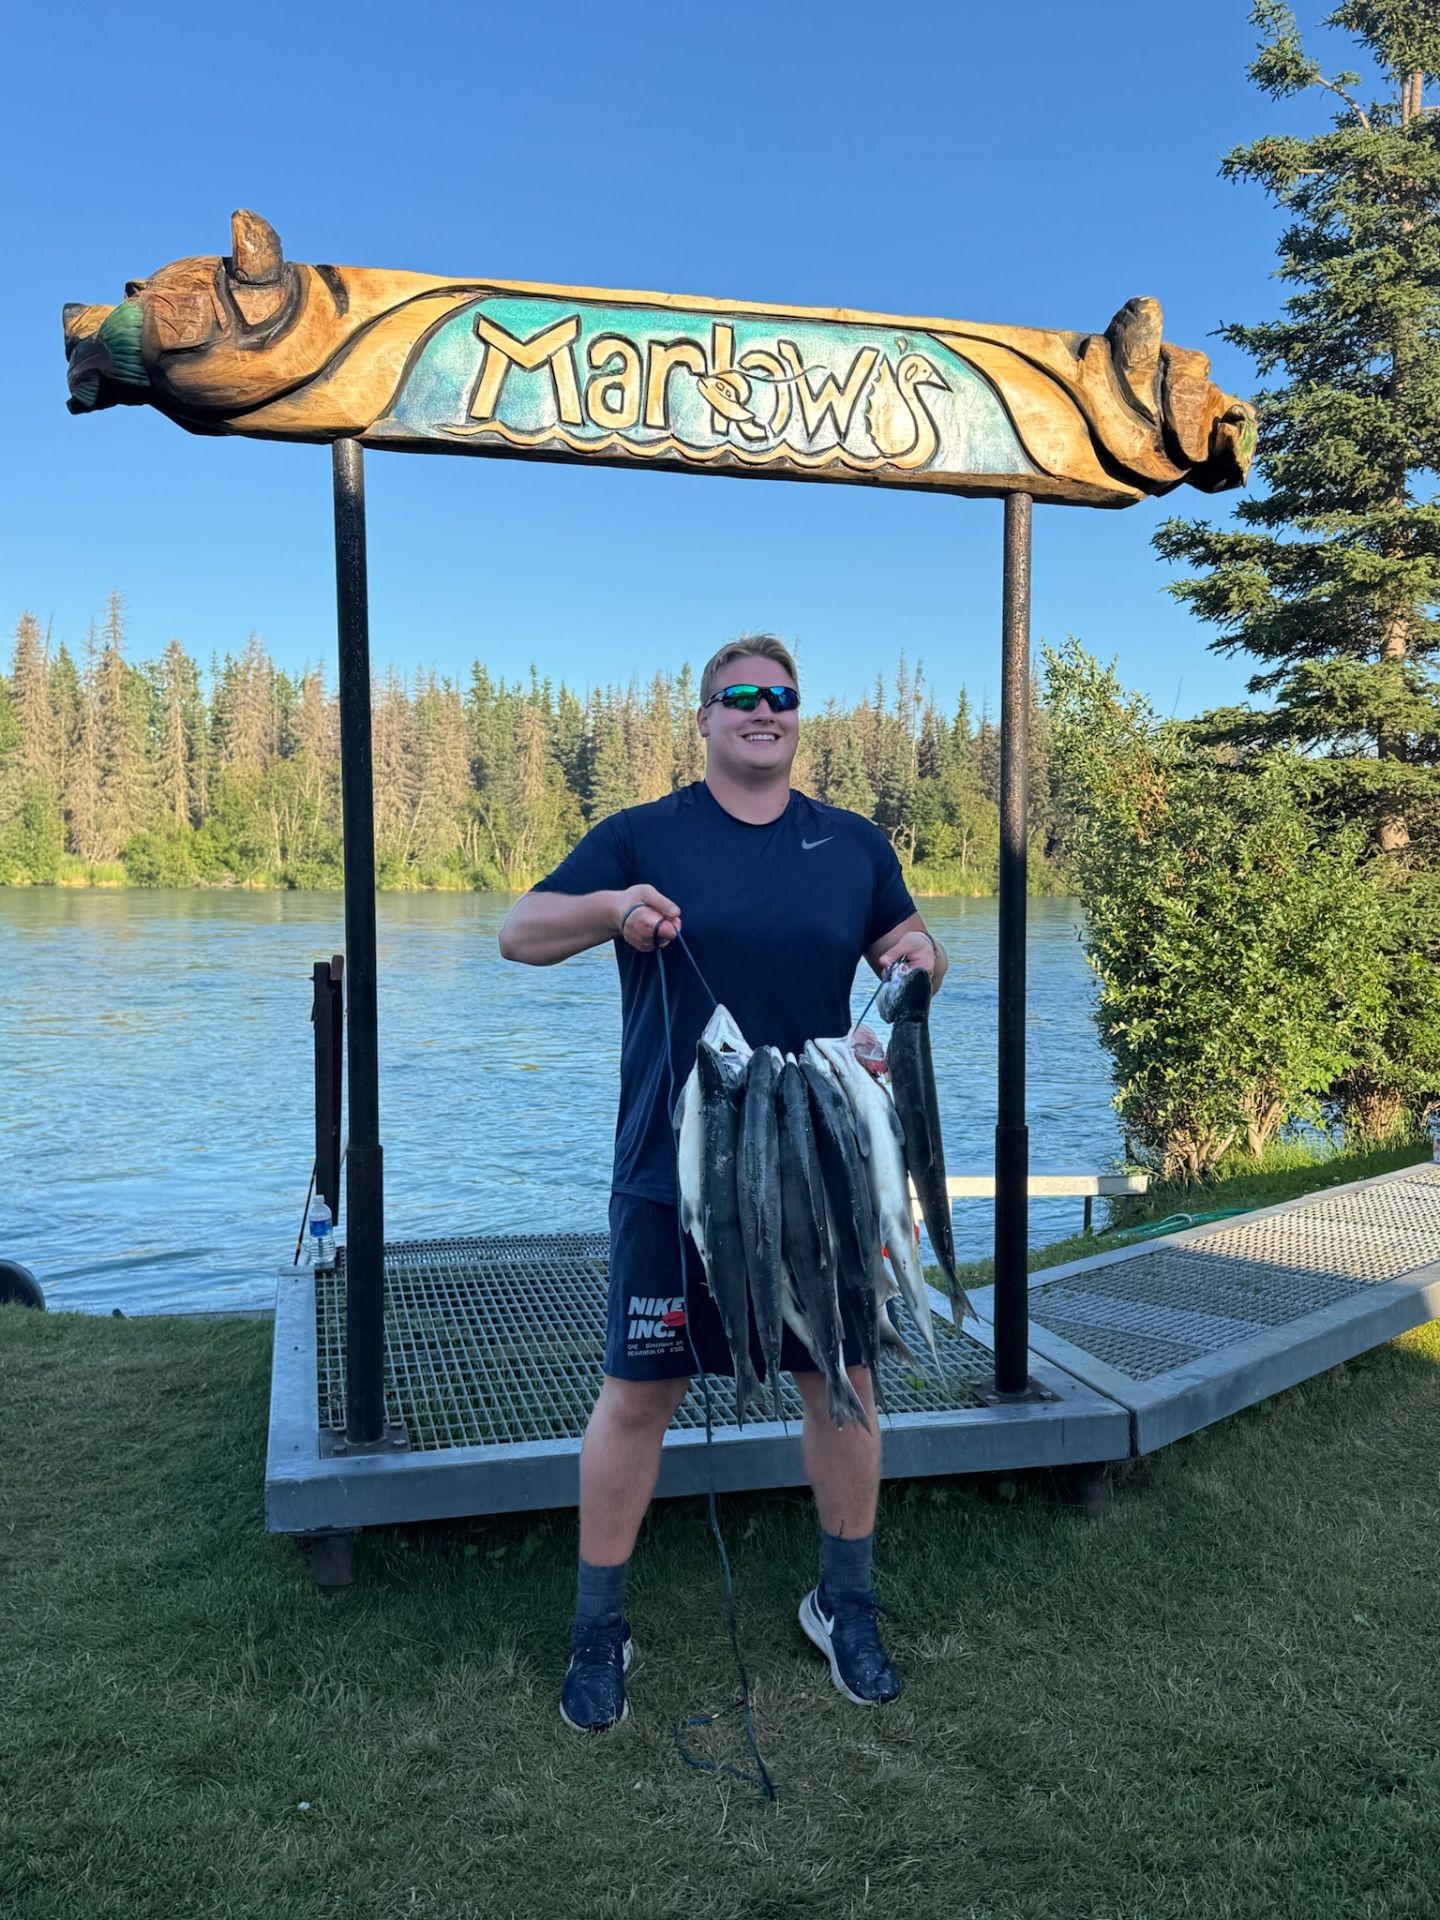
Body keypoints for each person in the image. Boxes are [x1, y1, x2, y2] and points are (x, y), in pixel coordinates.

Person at [498, 635, 947, 1732]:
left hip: (819, 1161)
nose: (763, 711)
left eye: (781, 698)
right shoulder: (645, 835)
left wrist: (914, 969)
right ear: (702, 719)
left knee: (842, 1380)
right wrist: (613, 910)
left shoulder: (848, 844)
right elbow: (517, 932)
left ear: (799, 719)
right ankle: (599, 1627)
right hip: (674, 1167)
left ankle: (844, 1603)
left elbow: (913, 941)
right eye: (739, 696)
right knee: (639, 1393)